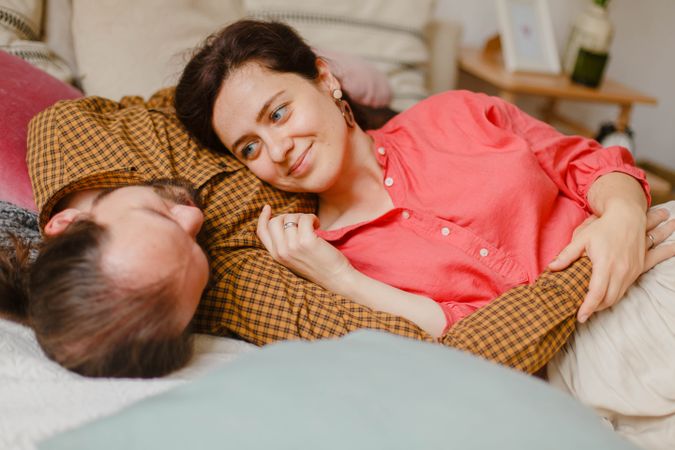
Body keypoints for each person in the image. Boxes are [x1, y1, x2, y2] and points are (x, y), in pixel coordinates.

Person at [173, 20, 675, 448]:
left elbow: (584, 162)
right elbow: (459, 340)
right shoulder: (323, 258)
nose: (277, 149)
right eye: (250, 148)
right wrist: (343, 279)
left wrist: (623, 216)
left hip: (653, 267)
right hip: (575, 362)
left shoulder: (454, 113)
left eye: (278, 113)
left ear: (324, 78)